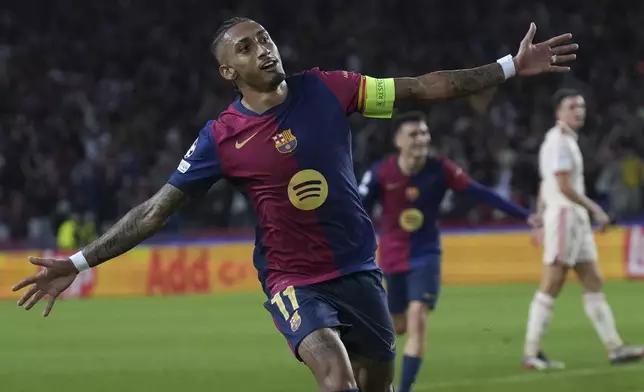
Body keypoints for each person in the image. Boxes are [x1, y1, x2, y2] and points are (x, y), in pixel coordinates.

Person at [12, 17, 577, 392]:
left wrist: (508, 66)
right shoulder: (221, 137)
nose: (265, 47)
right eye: (247, 46)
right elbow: (155, 210)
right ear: (228, 71)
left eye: (265, 37)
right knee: (336, 381)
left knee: (375, 380)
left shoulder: (331, 88)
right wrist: (79, 262)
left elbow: (421, 88)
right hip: (293, 279)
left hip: (358, 267)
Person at [359, 111, 540, 392]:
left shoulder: (440, 168)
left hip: (426, 255)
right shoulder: (381, 172)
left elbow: (480, 192)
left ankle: (403, 389)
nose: (421, 139)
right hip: (392, 259)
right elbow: (359, 209)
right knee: (397, 327)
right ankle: (369, 371)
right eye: (413, 134)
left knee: (418, 318)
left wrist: (524, 214)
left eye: (424, 133)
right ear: (398, 141)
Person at [522, 89, 644, 370]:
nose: (579, 111)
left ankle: (615, 347)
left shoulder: (564, 141)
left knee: (593, 279)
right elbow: (563, 187)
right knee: (552, 283)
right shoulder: (559, 143)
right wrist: (595, 209)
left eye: (581, 106)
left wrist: (539, 217)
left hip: (572, 218)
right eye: (572, 106)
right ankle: (530, 352)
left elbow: (546, 183)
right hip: (566, 216)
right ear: (558, 112)